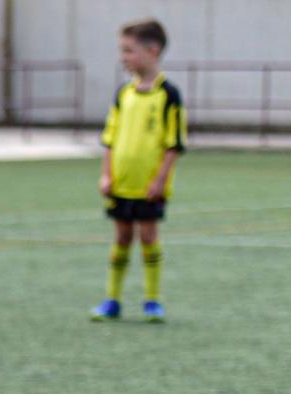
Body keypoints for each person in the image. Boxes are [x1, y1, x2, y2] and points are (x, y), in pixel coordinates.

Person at [92, 18, 185, 323]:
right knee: (120, 237)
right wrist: (106, 174)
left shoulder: (168, 95)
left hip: (148, 186)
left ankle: (152, 300)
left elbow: (174, 144)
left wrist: (161, 180)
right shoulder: (124, 94)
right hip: (121, 182)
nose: (124, 57)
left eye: (129, 50)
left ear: (152, 50)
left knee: (147, 236)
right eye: (122, 50)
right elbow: (109, 138)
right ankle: (112, 299)